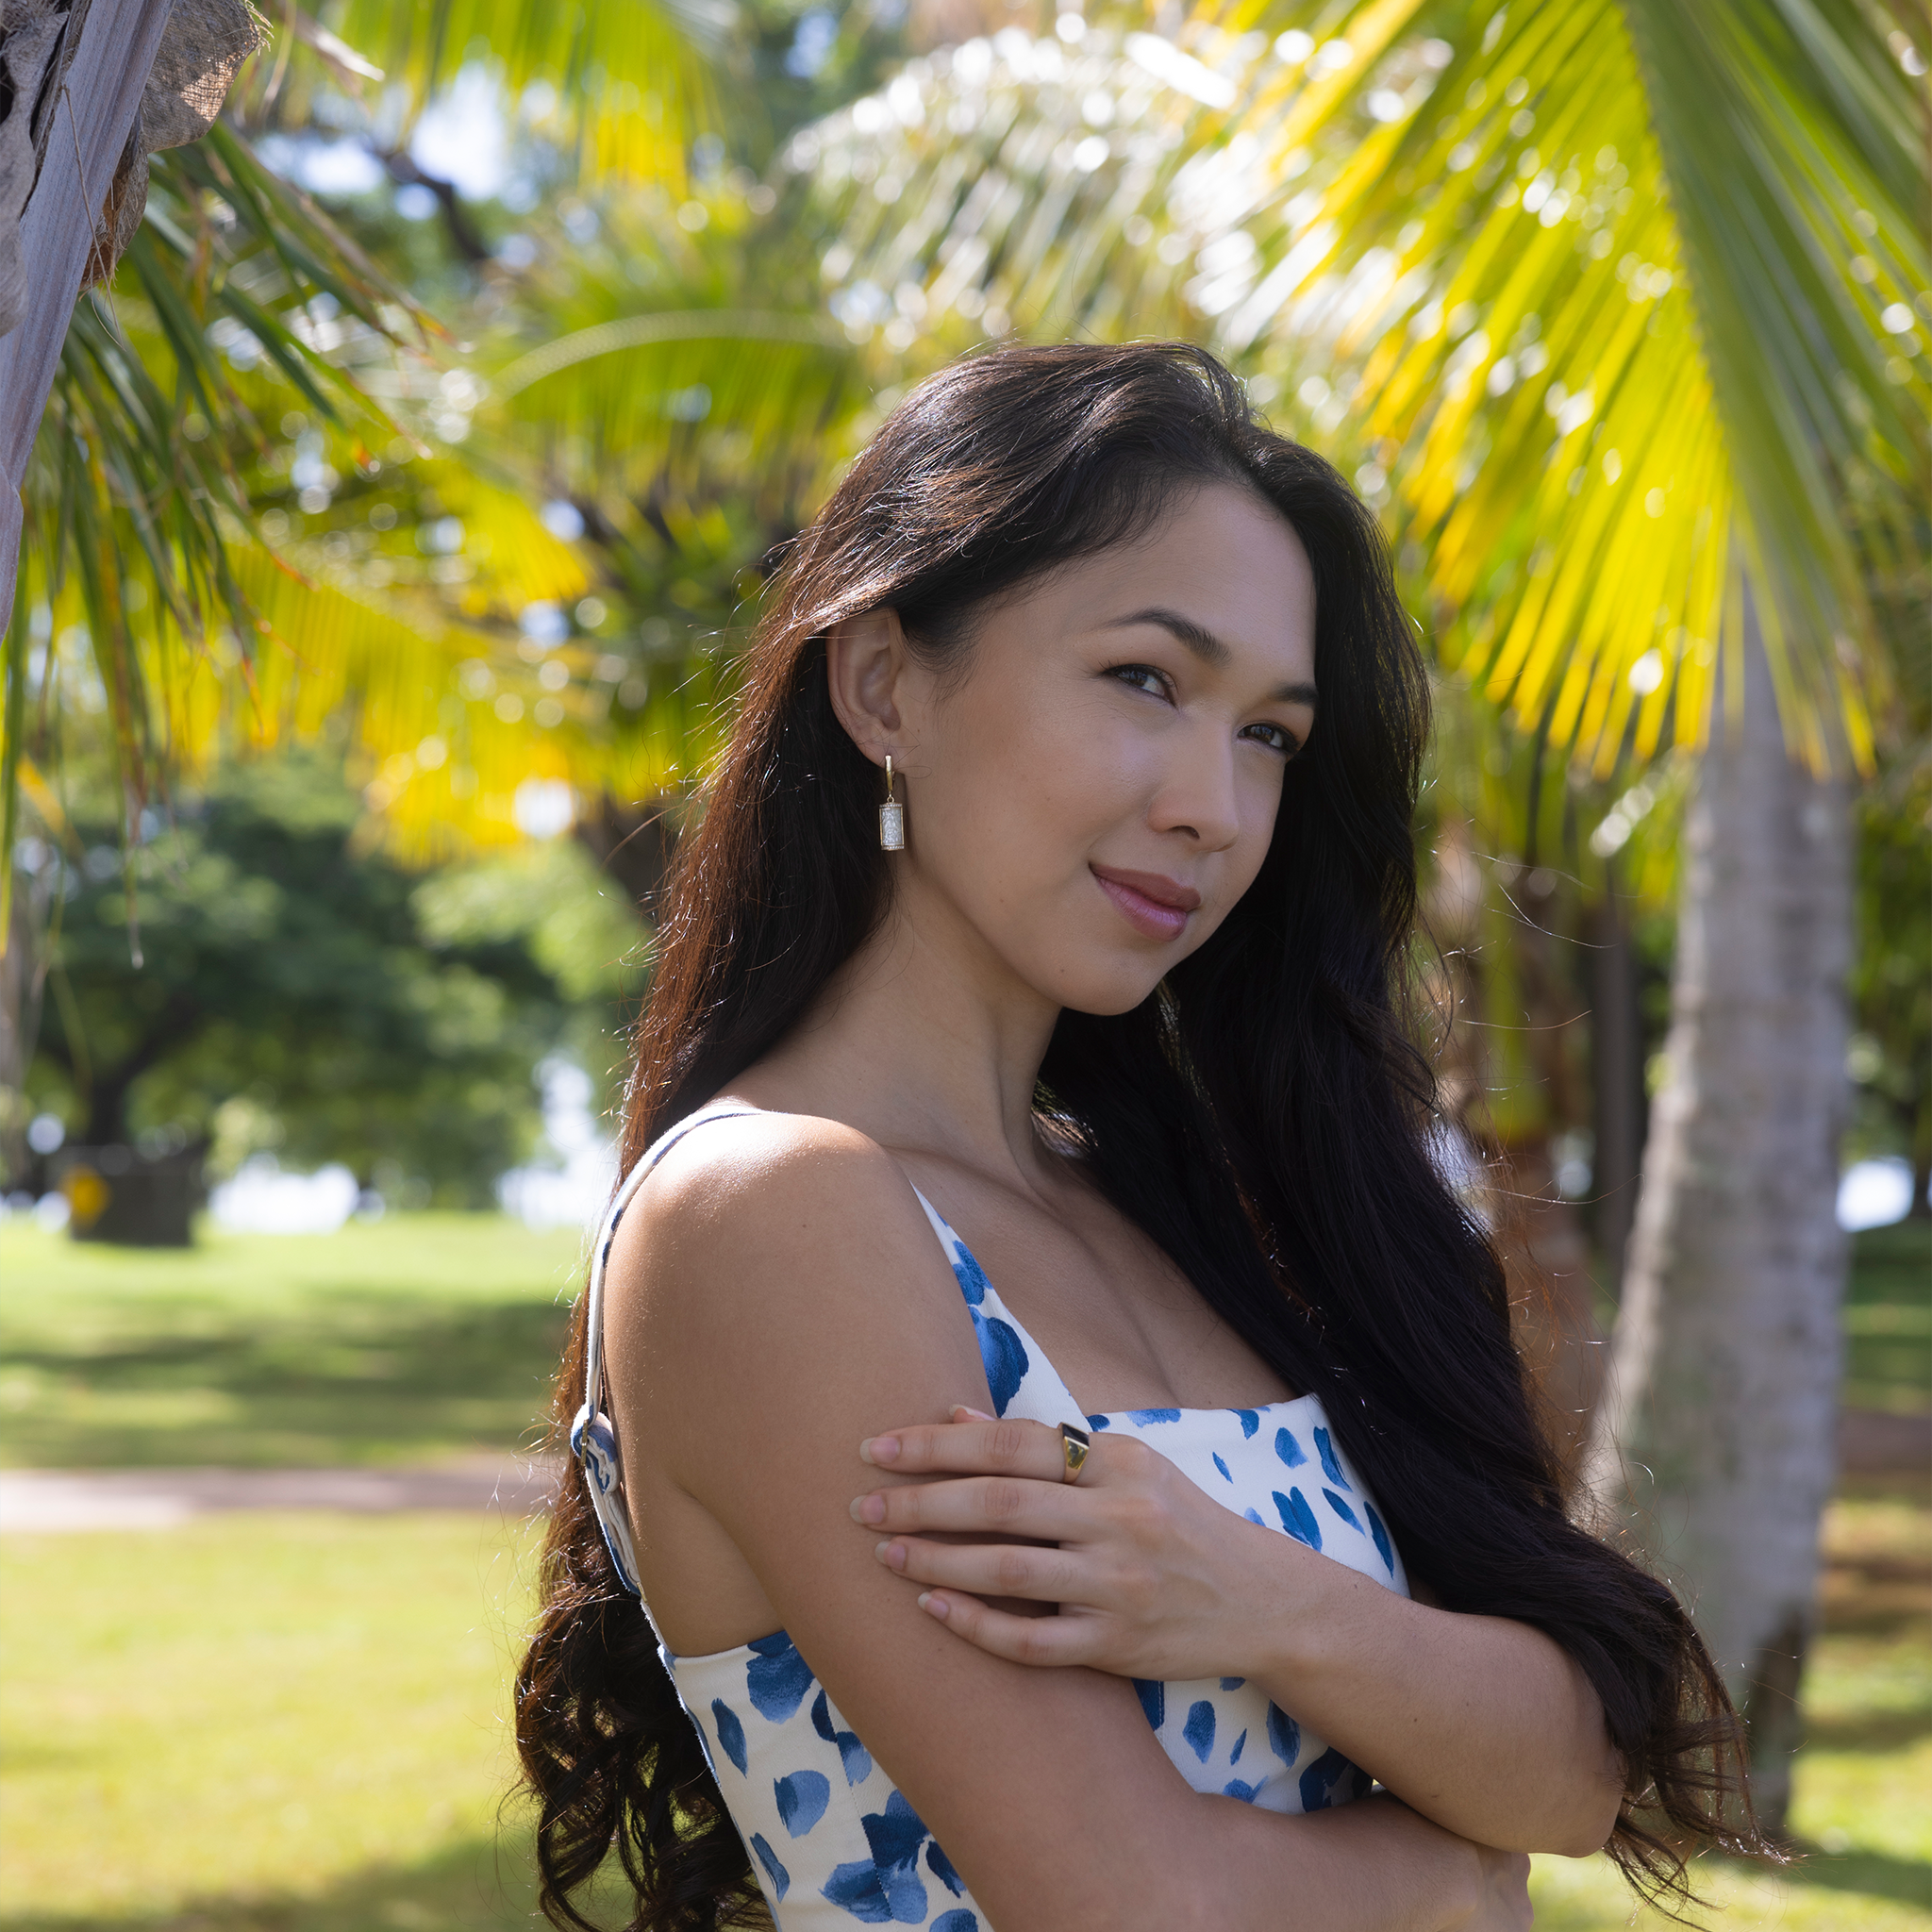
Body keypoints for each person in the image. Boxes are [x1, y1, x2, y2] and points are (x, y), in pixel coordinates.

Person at [516, 341, 1756, 1931]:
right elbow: (1135, 1900)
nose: (1215, 809)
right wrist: (1453, 1878)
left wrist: (1262, 1600)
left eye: (1270, 737)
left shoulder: (1192, 1202)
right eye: (1146, 682)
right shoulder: (774, 1211)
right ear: (884, 684)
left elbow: (1574, 1770)